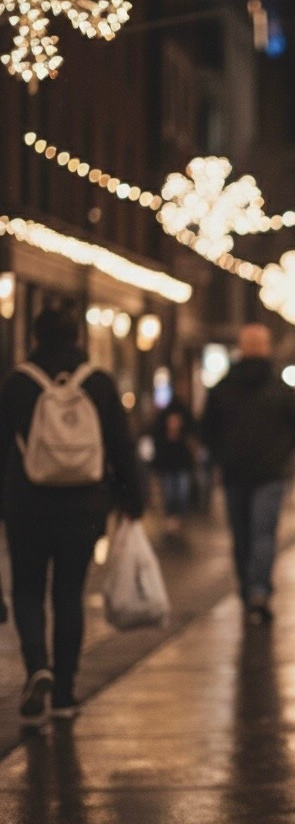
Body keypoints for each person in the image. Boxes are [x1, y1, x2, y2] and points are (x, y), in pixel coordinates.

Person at [0, 307, 144, 724]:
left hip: (27, 504)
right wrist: (132, 499)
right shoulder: (97, 382)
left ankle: (37, 667)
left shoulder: (17, 383)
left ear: (34, 336)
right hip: (83, 505)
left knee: (28, 590)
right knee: (69, 595)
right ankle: (64, 694)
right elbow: (121, 445)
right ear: (78, 337)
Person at [201, 323, 295, 624]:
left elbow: (207, 429)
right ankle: (259, 593)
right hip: (269, 473)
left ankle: (248, 592)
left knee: (242, 536)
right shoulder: (280, 387)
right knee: (263, 534)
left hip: (235, 472)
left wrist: (221, 457)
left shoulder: (223, 387)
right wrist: (282, 455)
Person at [150, 391, 197, 534]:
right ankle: (172, 517)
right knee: (170, 492)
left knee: (181, 492)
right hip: (170, 462)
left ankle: (177, 517)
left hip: (181, 462)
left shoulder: (185, 417)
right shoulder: (165, 418)